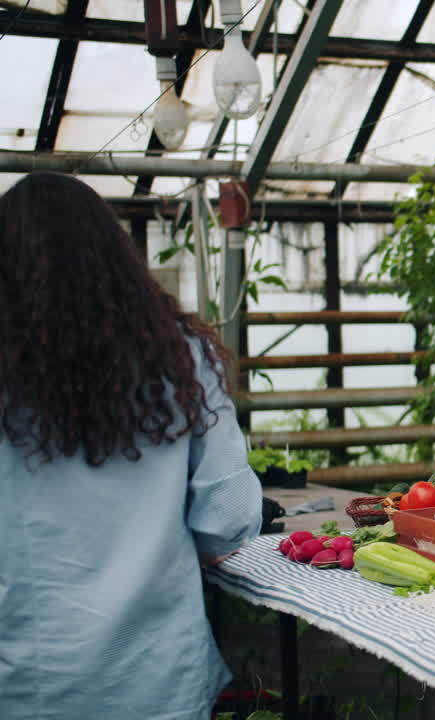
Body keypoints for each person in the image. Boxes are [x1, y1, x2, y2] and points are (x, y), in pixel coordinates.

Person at [0, 173, 262, 719]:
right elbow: (226, 519)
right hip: (156, 674)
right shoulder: (182, 357)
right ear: (116, 256)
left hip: (22, 680)